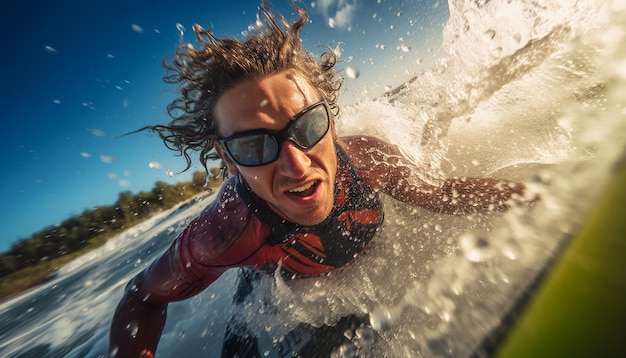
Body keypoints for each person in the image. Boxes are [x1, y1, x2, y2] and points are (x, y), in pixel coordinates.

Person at [109, 3, 530, 357]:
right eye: (254, 147)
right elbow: (143, 297)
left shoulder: (369, 161)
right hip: (268, 279)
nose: (296, 165)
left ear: (330, 119)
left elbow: (443, 194)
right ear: (228, 160)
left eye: (308, 125)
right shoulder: (225, 233)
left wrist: (536, 193)